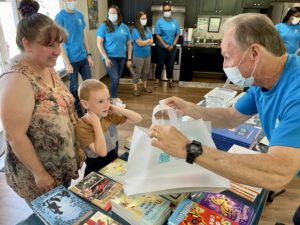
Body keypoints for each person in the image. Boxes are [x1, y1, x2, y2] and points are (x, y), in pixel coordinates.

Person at [148, 13, 300, 221]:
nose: (225, 65)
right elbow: (231, 117)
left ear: (255, 53)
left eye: (228, 56)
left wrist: (188, 149)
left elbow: (279, 173)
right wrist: (189, 109)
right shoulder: (262, 82)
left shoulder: (296, 90)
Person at [0, 0, 82, 202]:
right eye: (49, 45)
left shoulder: (45, 65)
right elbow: (14, 136)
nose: (57, 51)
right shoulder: (16, 79)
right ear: (27, 44)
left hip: (60, 168)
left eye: (58, 43)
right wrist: (40, 173)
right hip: (40, 177)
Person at [76, 79, 142, 176]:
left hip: (113, 163)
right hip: (95, 170)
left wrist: (118, 109)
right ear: (85, 104)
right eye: (101, 101)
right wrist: (96, 124)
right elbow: (102, 152)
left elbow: (138, 119)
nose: (107, 105)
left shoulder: (108, 114)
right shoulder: (82, 125)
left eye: (108, 99)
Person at [55, 0, 93, 117]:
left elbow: (84, 36)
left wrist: (89, 54)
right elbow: (59, 42)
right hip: (71, 60)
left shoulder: (79, 15)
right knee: (74, 88)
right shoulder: (60, 17)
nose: (73, 2)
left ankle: (90, 110)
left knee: (89, 85)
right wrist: (67, 63)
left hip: (83, 58)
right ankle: (79, 112)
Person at [96, 5, 132, 106]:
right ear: (108, 14)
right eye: (110, 13)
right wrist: (106, 58)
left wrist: (129, 58)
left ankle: (111, 97)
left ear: (118, 14)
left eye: (114, 13)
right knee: (115, 78)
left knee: (116, 79)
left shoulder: (124, 27)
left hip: (122, 58)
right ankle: (113, 98)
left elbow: (129, 44)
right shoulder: (104, 26)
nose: (112, 15)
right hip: (110, 58)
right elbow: (99, 43)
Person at [154, 1, 180, 89]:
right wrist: (164, 45)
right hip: (161, 47)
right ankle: (156, 81)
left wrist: (173, 44)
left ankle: (170, 81)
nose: (167, 12)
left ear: (171, 10)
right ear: (163, 11)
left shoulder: (175, 21)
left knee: (170, 65)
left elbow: (177, 34)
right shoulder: (159, 22)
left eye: (168, 10)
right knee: (160, 64)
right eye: (165, 10)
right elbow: (157, 34)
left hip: (172, 47)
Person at [131, 11, 153, 96]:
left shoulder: (147, 29)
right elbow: (139, 43)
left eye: (145, 18)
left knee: (146, 72)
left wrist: (146, 42)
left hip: (147, 55)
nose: (145, 20)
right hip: (138, 56)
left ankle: (144, 87)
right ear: (138, 20)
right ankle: (135, 89)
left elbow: (152, 41)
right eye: (143, 18)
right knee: (137, 73)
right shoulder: (135, 30)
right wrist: (147, 41)